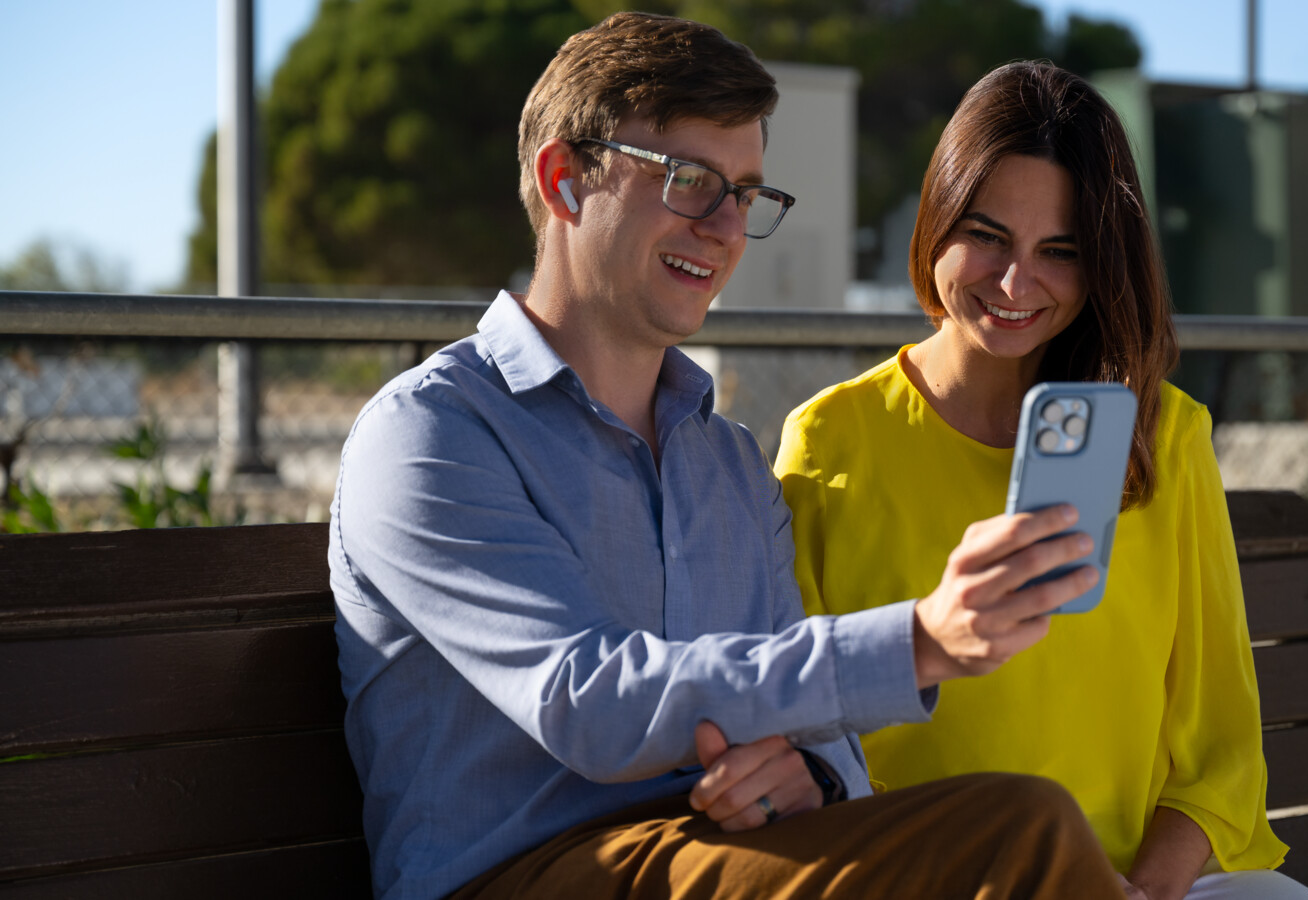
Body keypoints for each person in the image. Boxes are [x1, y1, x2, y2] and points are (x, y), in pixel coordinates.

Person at [330, 15, 1125, 900]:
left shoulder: (732, 464)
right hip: (526, 874)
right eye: (689, 180)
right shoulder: (431, 432)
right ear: (563, 180)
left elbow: (817, 738)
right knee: (1020, 835)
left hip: (713, 855)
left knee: (1021, 828)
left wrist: (809, 778)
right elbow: (587, 700)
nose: (724, 226)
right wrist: (923, 638)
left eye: (746, 193)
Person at [775, 62, 1308, 900]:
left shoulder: (1163, 434)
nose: (1015, 282)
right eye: (987, 235)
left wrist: (1140, 891)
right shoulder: (829, 440)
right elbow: (809, 737)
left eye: (1059, 251)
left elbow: (1221, 751)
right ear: (937, 219)